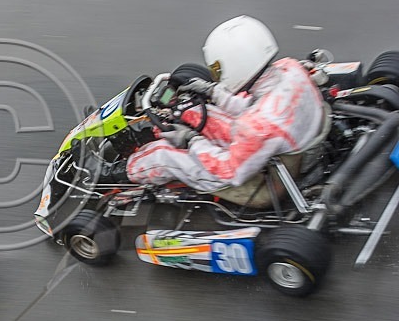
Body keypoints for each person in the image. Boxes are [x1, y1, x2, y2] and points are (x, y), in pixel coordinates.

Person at [107, 15, 325, 191]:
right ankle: (161, 128)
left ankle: (115, 174)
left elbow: (228, 170)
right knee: (195, 112)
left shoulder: (258, 126)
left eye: (217, 69)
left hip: (253, 180)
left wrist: (190, 140)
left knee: (162, 153)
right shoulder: (289, 69)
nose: (216, 74)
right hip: (284, 141)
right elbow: (255, 108)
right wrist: (212, 91)